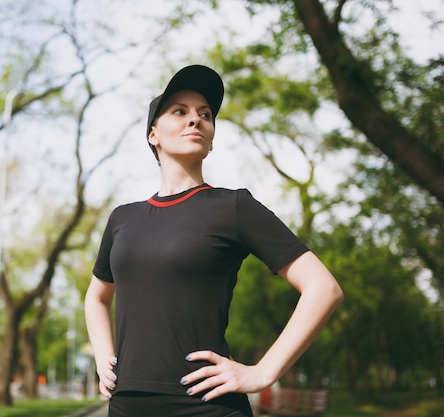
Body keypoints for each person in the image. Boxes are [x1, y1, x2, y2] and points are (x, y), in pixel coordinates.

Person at [84, 64, 344, 417]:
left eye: (204, 115)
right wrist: (104, 358)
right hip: (128, 406)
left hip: (207, 407)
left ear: (210, 139)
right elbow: (97, 297)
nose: (196, 120)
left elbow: (323, 288)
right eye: (180, 111)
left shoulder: (233, 207)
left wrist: (262, 372)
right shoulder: (122, 219)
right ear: (153, 135)